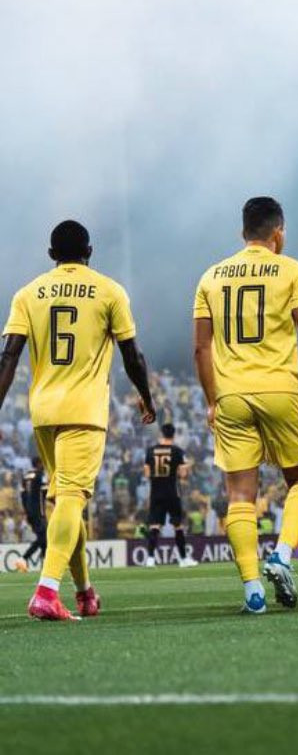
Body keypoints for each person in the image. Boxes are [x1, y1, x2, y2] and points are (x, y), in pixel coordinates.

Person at [0, 220, 156, 620]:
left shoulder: (27, 293)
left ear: (51, 255)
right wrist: (145, 395)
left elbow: (8, 357)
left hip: (43, 414)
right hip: (84, 411)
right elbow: (132, 355)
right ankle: (46, 592)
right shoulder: (109, 290)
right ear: (89, 251)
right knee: (72, 498)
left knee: (63, 502)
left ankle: (85, 591)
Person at [193, 197, 298, 614]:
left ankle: (252, 590)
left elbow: (201, 348)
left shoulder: (211, 276)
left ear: (243, 232)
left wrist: (211, 400)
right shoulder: (293, 270)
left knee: (240, 495)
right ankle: (282, 555)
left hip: (231, 395)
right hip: (280, 390)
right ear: (278, 232)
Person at [143, 422, 197, 567]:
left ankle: (150, 559)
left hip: (156, 492)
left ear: (162, 434)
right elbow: (183, 474)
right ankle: (183, 559)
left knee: (155, 525)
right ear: (173, 435)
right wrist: (187, 467)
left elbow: (146, 473)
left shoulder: (151, 451)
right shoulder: (177, 451)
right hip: (172, 492)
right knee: (177, 525)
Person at [20, 457, 48, 569]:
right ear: (38, 464)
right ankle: (23, 558)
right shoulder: (40, 475)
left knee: (44, 538)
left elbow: (22, 495)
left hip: (29, 513)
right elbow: (46, 491)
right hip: (39, 512)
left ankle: (46, 564)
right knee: (43, 538)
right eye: (42, 463)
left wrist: (26, 511)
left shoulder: (26, 476)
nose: (43, 466)